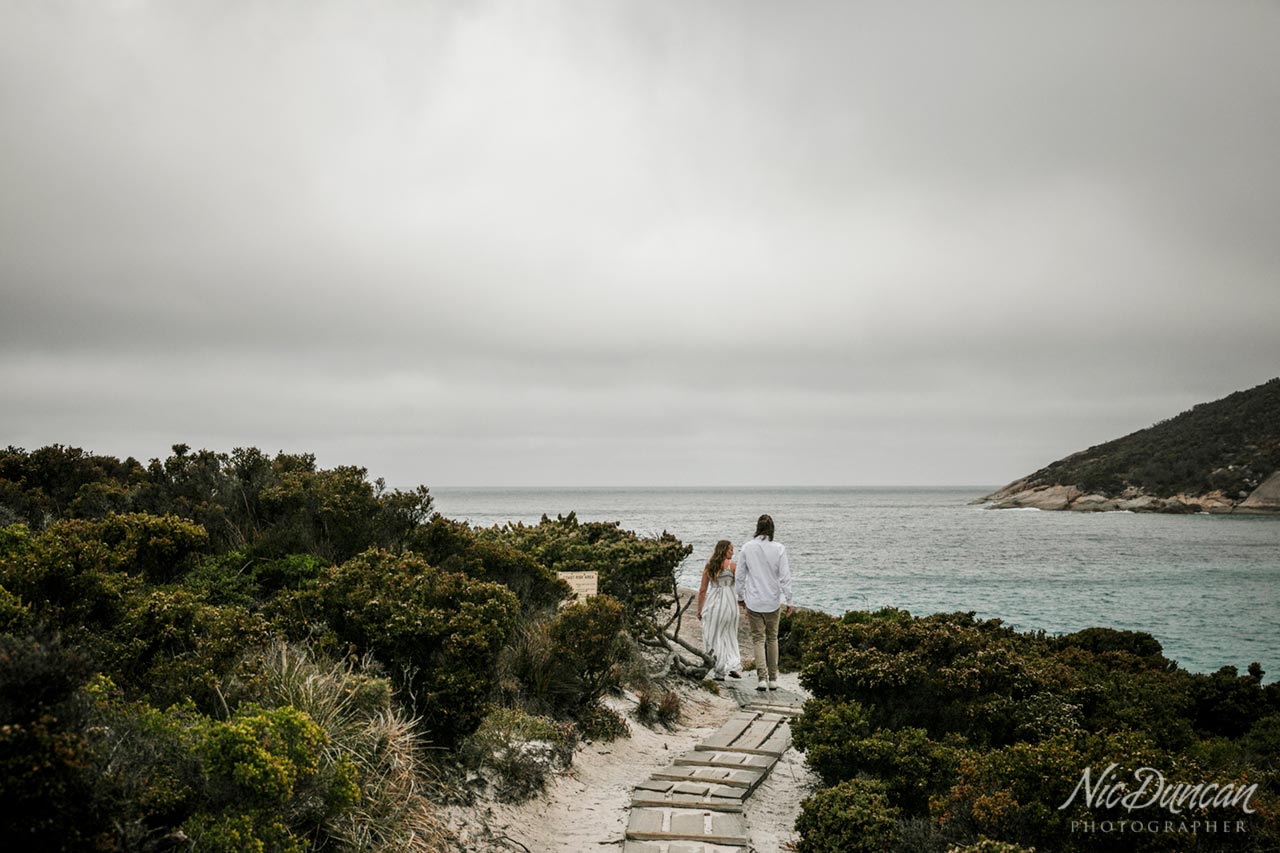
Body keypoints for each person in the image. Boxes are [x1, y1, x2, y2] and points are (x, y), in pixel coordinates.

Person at [737, 514, 793, 692]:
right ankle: (774, 679)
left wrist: (740, 597)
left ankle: (762, 678)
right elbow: (785, 577)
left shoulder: (747, 547)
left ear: (757, 528)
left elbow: (740, 575)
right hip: (772, 601)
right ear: (772, 529)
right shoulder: (779, 548)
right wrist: (789, 599)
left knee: (758, 639)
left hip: (754, 601)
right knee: (772, 638)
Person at [696, 539, 742, 680]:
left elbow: (703, 590)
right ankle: (733, 664)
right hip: (730, 605)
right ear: (724, 550)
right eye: (730, 550)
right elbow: (741, 587)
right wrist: (743, 603)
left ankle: (720, 669)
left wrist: (699, 609)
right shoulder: (733, 566)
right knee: (730, 635)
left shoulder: (709, 566)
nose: (733, 552)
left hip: (715, 604)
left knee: (714, 635)